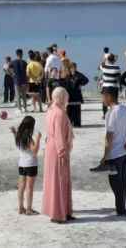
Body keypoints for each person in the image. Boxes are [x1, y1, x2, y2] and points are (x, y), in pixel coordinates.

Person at [91, 86, 126, 216]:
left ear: (109, 96)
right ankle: (122, 209)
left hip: (115, 154)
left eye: (103, 96)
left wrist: (105, 156)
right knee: (122, 183)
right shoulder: (125, 109)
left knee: (116, 184)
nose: (102, 99)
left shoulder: (111, 113)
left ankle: (121, 210)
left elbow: (109, 137)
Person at [42, 87, 74, 224]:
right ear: (61, 98)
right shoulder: (59, 113)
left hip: (51, 148)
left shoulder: (51, 111)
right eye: (66, 97)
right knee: (59, 181)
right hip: (57, 150)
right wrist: (62, 152)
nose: (67, 99)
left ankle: (64, 211)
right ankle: (58, 214)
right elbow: (59, 135)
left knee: (56, 180)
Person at [11, 116, 42, 216]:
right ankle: (28, 209)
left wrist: (14, 132)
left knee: (21, 186)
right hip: (31, 164)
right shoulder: (28, 138)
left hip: (21, 164)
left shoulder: (19, 136)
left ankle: (20, 207)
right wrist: (38, 139)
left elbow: (17, 136)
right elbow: (34, 151)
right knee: (29, 187)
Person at [66, 63, 89, 127]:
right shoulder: (68, 75)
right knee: (69, 110)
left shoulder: (79, 74)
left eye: (74, 67)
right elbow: (65, 83)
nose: (73, 69)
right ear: (70, 68)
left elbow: (86, 80)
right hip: (69, 94)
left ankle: (77, 123)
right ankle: (69, 123)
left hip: (77, 94)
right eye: (72, 68)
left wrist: (81, 84)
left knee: (77, 110)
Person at [100, 53, 121, 119]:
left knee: (104, 101)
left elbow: (101, 65)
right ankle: (115, 114)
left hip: (106, 86)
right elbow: (119, 78)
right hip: (114, 86)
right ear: (114, 60)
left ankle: (105, 114)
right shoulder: (117, 67)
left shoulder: (104, 67)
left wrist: (104, 59)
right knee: (114, 101)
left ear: (108, 59)